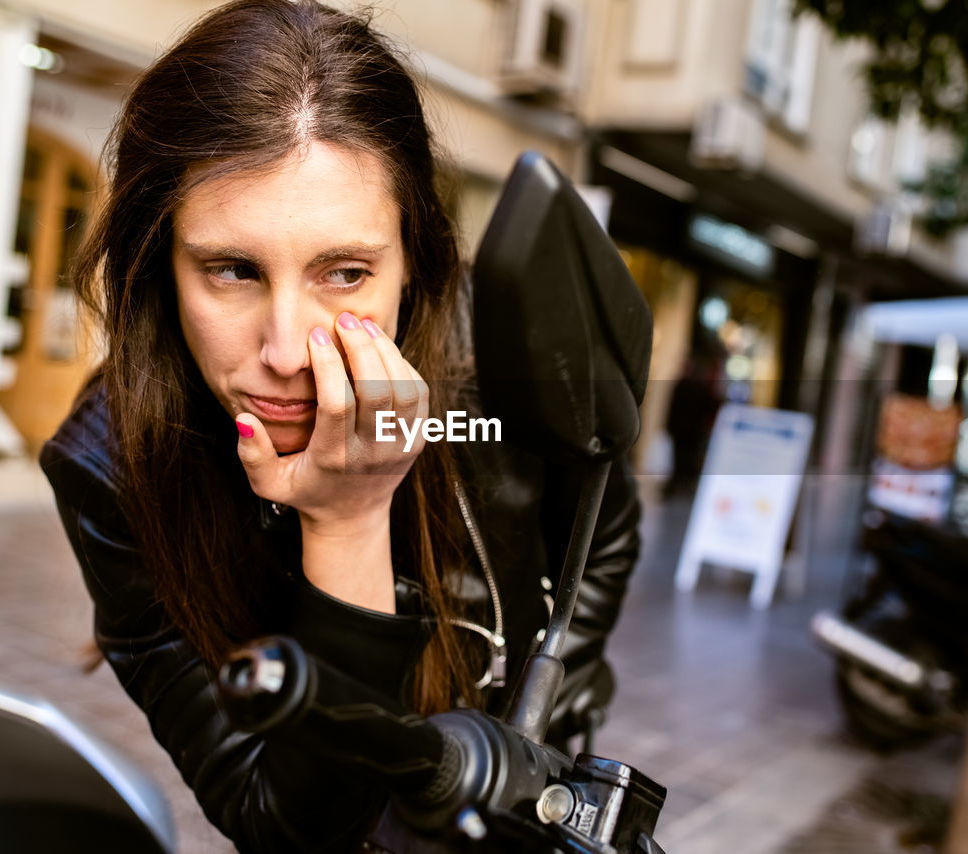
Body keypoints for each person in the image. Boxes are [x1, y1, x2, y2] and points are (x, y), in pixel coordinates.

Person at [38, 2, 641, 851]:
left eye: (346, 272)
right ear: (157, 263)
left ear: (414, 263)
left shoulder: (505, 356)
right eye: (233, 270)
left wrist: (522, 746)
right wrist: (348, 518)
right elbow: (284, 829)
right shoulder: (109, 466)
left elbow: (602, 535)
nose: (286, 351)